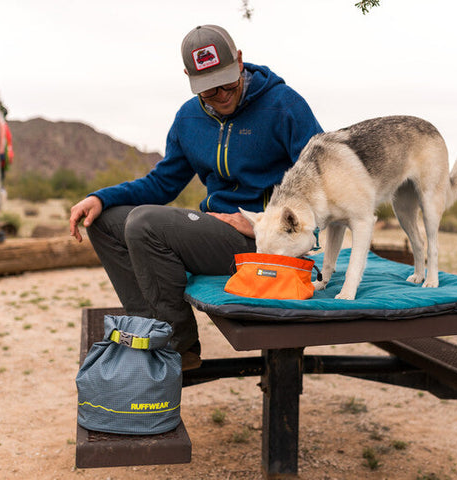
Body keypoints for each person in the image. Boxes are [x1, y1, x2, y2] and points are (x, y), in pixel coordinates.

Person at [69, 24, 322, 370]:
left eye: (226, 82)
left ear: (240, 61)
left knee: (145, 224)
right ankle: (151, 331)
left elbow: (323, 179)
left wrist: (267, 225)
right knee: (105, 220)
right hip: (217, 231)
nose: (221, 95)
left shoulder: (283, 105)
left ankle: (177, 346)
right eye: (208, 89)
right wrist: (100, 198)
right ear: (189, 77)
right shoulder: (189, 118)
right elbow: (161, 184)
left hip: (265, 244)